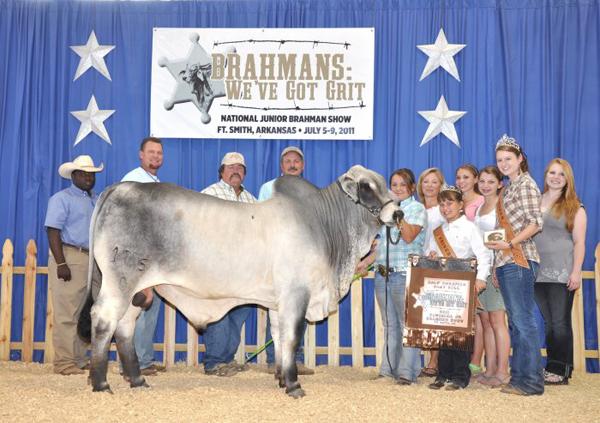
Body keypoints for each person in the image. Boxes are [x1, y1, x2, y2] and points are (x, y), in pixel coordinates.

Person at [486, 134, 544, 396]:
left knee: (523, 321)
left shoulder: (527, 185)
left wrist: (509, 245)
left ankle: (531, 381)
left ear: (520, 159)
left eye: (508, 159)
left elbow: (535, 223)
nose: (504, 163)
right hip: (508, 261)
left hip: (520, 258)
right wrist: (498, 263)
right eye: (500, 159)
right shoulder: (509, 187)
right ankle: (520, 378)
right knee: (517, 323)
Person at [426, 186, 490, 390]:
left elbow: (483, 255)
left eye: (450, 203)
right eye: (442, 204)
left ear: (461, 205)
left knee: (461, 332)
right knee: (443, 330)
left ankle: (460, 376)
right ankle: (443, 374)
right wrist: (432, 257)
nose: (445, 208)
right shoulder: (438, 231)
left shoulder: (470, 228)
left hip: (462, 283)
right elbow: (431, 254)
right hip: (443, 285)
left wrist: (481, 278)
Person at [258, 146, 314, 376]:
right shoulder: (268, 188)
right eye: (288, 161)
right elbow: (259, 219)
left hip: (301, 257)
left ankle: (296, 358)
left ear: (303, 166)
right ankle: (275, 358)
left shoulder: (310, 191)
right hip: (273, 254)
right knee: (274, 305)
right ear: (281, 166)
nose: (292, 164)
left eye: (296, 161)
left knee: (299, 307)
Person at [45, 155, 103, 375]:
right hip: (70, 255)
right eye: (84, 173)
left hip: (91, 258)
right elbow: (53, 230)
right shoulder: (61, 198)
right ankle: (63, 362)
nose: (89, 177)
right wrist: (61, 262)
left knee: (83, 312)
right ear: (74, 175)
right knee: (66, 312)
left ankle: (78, 359)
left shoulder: (95, 200)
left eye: (92, 174)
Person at [201, 152, 257, 376]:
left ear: (244, 173)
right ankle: (214, 361)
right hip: (218, 264)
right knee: (219, 312)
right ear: (221, 171)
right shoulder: (209, 194)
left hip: (244, 267)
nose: (236, 171)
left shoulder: (251, 200)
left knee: (239, 313)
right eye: (231, 167)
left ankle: (228, 358)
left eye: (240, 168)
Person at [534, 158, 587, 385]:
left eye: (561, 174)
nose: (555, 177)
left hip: (561, 271)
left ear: (568, 179)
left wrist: (576, 271)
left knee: (560, 323)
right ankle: (554, 367)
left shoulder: (575, 206)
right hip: (537, 270)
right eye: (552, 173)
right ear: (545, 175)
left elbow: (579, 243)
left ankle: (560, 369)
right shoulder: (536, 200)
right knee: (549, 322)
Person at [373, 169, 426, 385]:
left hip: (405, 273)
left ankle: (407, 373)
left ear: (412, 187)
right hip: (383, 273)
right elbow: (380, 244)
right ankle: (387, 370)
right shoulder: (385, 210)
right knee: (390, 325)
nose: (398, 188)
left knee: (407, 325)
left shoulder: (417, 208)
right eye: (394, 185)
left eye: (403, 184)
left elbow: (409, 236)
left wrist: (399, 216)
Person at [121, 137, 166, 376]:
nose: (156, 156)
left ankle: (144, 359)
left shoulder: (153, 181)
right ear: (141, 154)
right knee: (134, 308)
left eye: (159, 153)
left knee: (149, 308)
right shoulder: (134, 179)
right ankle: (130, 362)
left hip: (151, 254)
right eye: (151, 152)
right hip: (137, 252)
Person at [474, 166, 511, 388]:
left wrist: (498, 266)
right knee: (486, 322)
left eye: (490, 182)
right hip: (482, 268)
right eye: (483, 181)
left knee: (498, 321)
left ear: (500, 184)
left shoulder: (501, 206)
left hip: (496, 267)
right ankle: (490, 368)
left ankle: (503, 370)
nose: (485, 185)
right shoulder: (480, 207)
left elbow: (506, 237)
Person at [456, 164, 485, 375]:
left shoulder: (481, 201)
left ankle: (475, 360)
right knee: (461, 316)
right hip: (460, 266)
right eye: (458, 177)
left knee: (479, 317)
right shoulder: (455, 200)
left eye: (466, 177)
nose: (461, 181)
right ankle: (461, 358)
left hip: (477, 264)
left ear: (475, 179)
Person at [416, 167, 446, 377]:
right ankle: (427, 360)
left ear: (441, 185)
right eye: (426, 181)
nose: (429, 185)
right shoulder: (415, 209)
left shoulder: (445, 210)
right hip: (420, 264)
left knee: (437, 315)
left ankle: (435, 361)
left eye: (434, 182)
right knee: (423, 314)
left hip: (439, 265)